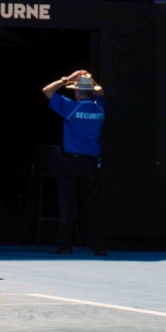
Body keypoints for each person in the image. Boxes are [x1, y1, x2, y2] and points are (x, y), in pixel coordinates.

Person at [42, 69, 107, 256]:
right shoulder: (99, 108)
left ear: (77, 92)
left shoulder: (72, 108)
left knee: (67, 205)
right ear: (92, 92)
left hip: (72, 163)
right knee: (94, 205)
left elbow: (47, 91)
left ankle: (64, 245)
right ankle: (99, 246)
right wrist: (89, 79)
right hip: (92, 163)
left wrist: (66, 79)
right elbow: (101, 92)